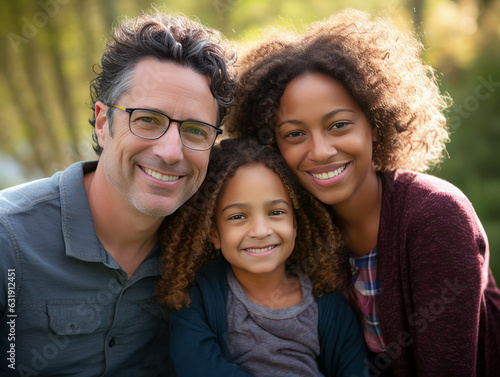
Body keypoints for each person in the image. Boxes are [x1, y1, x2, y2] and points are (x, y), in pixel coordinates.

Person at [229, 9, 500, 377]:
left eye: (339, 125)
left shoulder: (436, 216)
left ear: (375, 124)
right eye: (294, 134)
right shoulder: (295, 227)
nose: (320, 150)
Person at [0, 10, 236, 376]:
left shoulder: (212, 248)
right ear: (103, 123)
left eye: (195, 130)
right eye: (147, 120)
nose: (171, 151)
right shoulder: (8, 241)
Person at [156, 137, 368, 377]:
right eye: (238, 216)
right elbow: (196, 365)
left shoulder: (330, 306)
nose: (260, 231)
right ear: (214, 233)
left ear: (296, 224)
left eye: (276, 212)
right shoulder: (197, 295)